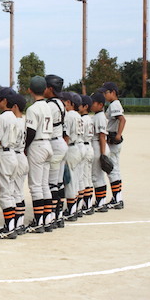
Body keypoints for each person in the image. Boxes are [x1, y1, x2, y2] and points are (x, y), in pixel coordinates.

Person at [23, 76, 54, 234]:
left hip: (37, 145)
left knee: (35, 186)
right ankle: (47, 220)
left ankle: (39, 221)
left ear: (30, 90)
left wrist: (24, 147)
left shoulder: (32, 109)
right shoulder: (48, 106)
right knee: (44, 185)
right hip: (48, 143)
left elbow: (31, 132)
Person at [0, 87, 19, 239]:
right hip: (14, 154)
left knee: (4, 193)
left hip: (4, 154)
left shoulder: (2, 118)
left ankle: (9, 226)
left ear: (5, 101)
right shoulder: (14, 117)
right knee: (9, 191)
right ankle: (12, 224)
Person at [44, 74, 68, 230]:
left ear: (50, 89)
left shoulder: (50, 106)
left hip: (54, 143)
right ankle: (59, 215)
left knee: (51, 183)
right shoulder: (61, 103)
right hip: (61, 142)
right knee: (58, 183)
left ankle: (51, 216)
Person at [99, 82, 126, 209]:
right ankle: (117, 197)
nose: (104, 95)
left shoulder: (115, 104)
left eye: (106, 92)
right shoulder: (113, 104)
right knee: (115, 169)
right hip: (112, 138)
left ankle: (117, 199)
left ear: (113, 92)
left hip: (113, 140)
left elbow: (122, 119)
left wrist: (118, 135)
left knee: (112, 169)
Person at [62, 92, 86, 221]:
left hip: (72, 147)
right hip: (80, 146)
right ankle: (76, 208)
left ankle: (71, 211)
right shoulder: (78, 115)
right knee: (76, 179)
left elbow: (66, 135)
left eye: (66, 102)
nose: (64, 104)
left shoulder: (69, 115)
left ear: (71, 103)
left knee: (70, 181)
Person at [9, 93, 29, 234]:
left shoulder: (14, 122)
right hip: (23, 156)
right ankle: (20, 222)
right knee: (19, 191)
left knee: (14, 192)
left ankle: (15, 224)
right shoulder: (25, 122)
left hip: (15, 156)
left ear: (15, 107)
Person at [90, 91, 110, 212]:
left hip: (99, 146)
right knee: (99, 176)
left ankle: (100, 202)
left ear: (101, 105)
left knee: (97, 176)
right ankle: (100, 201)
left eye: (94, 103)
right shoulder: (98, 116)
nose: (91, 105)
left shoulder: (100, 117)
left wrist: (102, 154)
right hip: (99, 145)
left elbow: (102, 136)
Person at [78, 95, 95, 214]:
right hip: (89, 146)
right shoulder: (89, 119)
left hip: (84, 145)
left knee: (84, 178)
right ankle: (88, 204)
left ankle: (85, 205)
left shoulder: (83, 120)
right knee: (88, 177)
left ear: (85, 107)